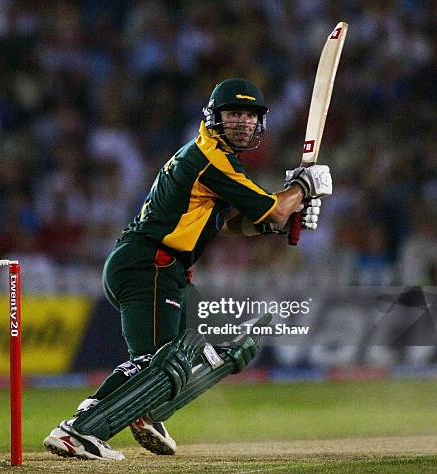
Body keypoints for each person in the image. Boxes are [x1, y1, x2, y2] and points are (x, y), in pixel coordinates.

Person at [43, 78, 331, 460]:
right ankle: (79, 429)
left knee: (199, 348)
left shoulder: (212, 158)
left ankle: (144, 411)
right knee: (152, 364)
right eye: (234, 114)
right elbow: (274, 208)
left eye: (250, 115)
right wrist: (302, 190)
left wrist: (284, 214)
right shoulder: (211, 158)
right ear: (214, 117)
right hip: (152, 264)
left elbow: (234, 222)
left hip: (159, 266)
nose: (243, 122)